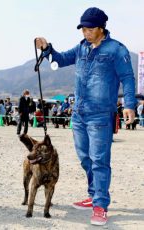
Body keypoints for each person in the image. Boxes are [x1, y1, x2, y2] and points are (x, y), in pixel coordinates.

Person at [35, 7, 137, 226]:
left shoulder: (117, 50)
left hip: (100, 115)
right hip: (79, 114)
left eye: (89, 29)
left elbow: (128, 78)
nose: (85, 32)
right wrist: (47, 48)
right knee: (85, 158)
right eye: (82, 28)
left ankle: (100, 205)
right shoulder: (81, 48)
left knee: (100, 160)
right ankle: (93, 195)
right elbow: (60, 59)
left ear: (101, 28)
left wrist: (129, 104)